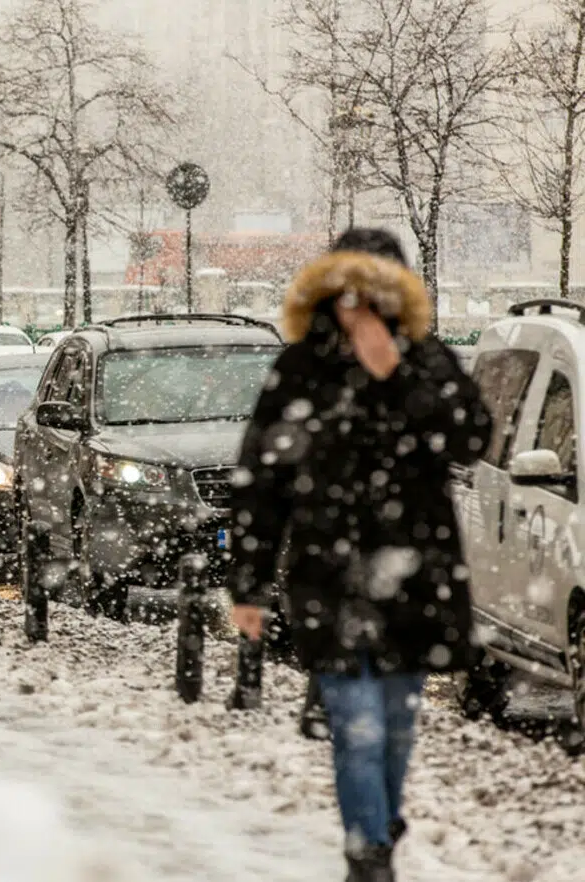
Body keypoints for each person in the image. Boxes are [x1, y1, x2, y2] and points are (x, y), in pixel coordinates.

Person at [226, 228, 492, 882]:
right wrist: (248, 585)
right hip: (329, 576)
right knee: (356, 724)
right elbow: (262, 479)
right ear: (327, 297)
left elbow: (472, 438)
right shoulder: (301, 369)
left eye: (375, 297)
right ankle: (369, 854)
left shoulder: (427, 361)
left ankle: (375, 829)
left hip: (416, 574)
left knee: (396, 728)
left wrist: (396, 377)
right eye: (348, 297)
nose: (360, 311)